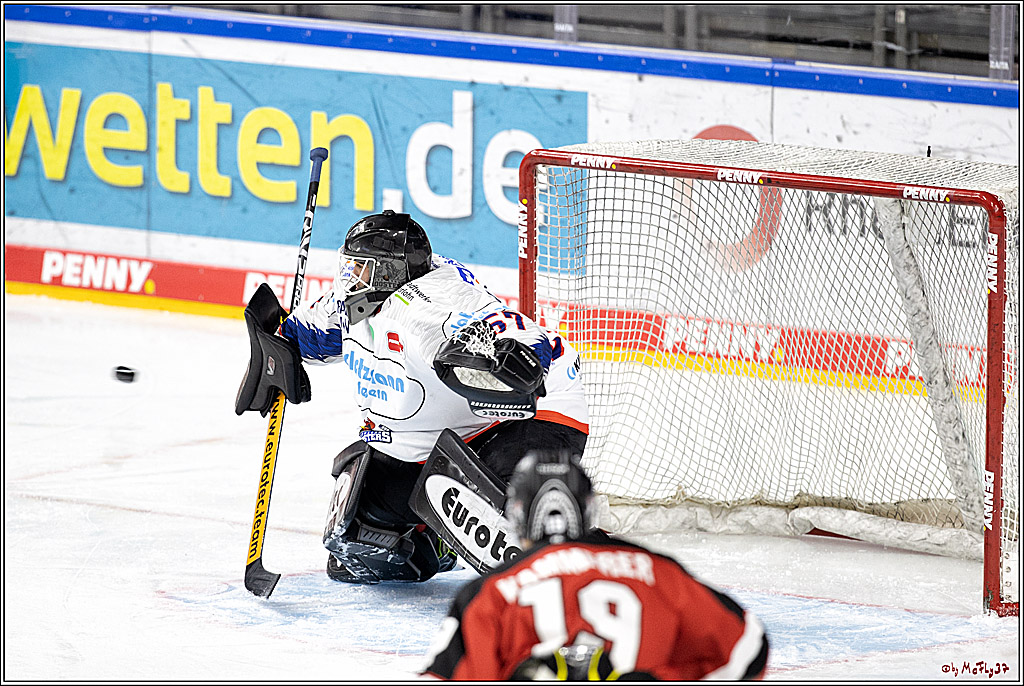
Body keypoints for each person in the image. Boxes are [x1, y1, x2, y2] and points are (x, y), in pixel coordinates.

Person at [238, 210, 589, 585]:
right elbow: (311, 334)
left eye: (360, 269)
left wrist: (520, 356)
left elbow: (520, 332)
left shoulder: (430, 307)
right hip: (447, 433)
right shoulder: (358, 297)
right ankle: (437, 540)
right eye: (349, 267)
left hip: (530, 416)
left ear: (388, 273)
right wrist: (277, 351)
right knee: (358, 546)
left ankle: (581, 565)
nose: (349, 278)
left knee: (497, 523)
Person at [420, 450, 770, 681]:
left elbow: (444, 676)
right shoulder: (658, 572)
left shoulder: (491, 593)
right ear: (588, 511)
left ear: (516, 516)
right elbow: (748, 647)